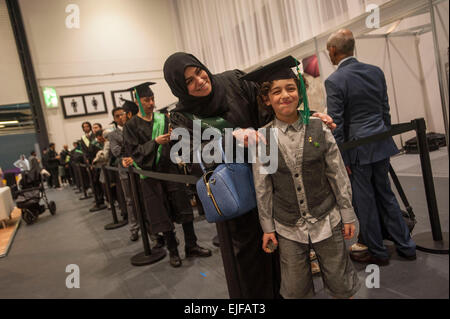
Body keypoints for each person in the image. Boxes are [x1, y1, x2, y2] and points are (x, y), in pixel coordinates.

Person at [163, 52, 336, 299]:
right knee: (249, 262)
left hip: (271, 181)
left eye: (199, 72)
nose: (199, 81)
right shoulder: (181, 116)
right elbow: (187, 155)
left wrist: (307, 117)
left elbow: (272, 110)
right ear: (179, 87)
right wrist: (228, 141)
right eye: (189, 81)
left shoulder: (234, 82)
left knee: (287, 252)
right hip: (236, 197)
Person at [244, 55, 360, 299]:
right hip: (287, 226)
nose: (285, 95)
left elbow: (337, 173)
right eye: (276, 91)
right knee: (295, 290)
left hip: (327, 218)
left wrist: (347, 212)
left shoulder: (318, 128)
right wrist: (267, 227)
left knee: (342, 283)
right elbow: (263, 186)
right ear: (266, 99)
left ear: (300, 92)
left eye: (290, 88)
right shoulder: (263, 139)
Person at [325, 29, 416, 265]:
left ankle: (378, 252)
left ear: (333, 50)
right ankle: (407, 246)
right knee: (386, 194)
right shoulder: (375, 72)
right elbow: (385, 111)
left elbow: (337, 124)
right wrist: (384, 139)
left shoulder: (334, 80)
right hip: (380, 144)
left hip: (357, 151)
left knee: (365, 202)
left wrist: (342, 160)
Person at [123, 82, 211, 268]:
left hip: (171, 170)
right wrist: (155, 142)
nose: (151, 103)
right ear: (137, 101)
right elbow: (134, 152)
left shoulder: (163, 119)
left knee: (184, 210)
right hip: (151, 175)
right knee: (163, 215)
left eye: (152, 99)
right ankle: (173, 252)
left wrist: (174, 137)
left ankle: (191, 245)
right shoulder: (130, 126)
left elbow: (177, 143)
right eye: (146, 100)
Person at [109, 103, 144, 242]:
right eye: (117, 116)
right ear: (114, 118)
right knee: (130, 201)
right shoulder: (113, 134)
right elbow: (116, 151)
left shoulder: (135, 128)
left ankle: (150, 229)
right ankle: (134, 228)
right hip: (124, 171)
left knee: (143, 199)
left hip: (139, 168)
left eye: (122, 114)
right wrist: (131, 146)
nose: (120, 117)